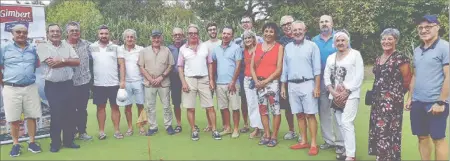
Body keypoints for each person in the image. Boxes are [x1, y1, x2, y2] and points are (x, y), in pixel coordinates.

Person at [405, 15, 449, 161]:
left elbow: (449, 76)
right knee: (422, 137)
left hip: (436, 103)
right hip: (418, 102)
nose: (424, 30)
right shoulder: (418, 50)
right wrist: (411, 97)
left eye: (428, 27)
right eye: (421, 28)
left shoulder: (445, 47)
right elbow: (416, 76)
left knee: (438, 138)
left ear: (437, 27)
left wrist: (441, 102)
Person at [368, 28, 412, 161]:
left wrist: (396, 95)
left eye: (390, 38)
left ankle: (389, 158)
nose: (386, 41)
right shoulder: (378, 59)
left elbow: (407, 80)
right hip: (377, 102)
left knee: (389, 131)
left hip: (392, 103)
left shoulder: (400, 58)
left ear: (395, 41)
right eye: (384, 39)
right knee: (377, 130)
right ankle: (380, 157)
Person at [1, 24, 42, 157]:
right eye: (18, 32)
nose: (21, 34)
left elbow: (35, 65)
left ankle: (32, 142)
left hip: (30, 87)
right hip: (11, 88)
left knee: (32, 116)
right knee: (14, 119)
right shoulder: (4, 48)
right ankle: (15, 144)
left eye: (24, 32)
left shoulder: (33, 49)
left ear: (27, 34)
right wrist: (4, 84)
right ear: (12, 34)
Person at [281, 21, 321, 155]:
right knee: (299, 114)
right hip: (292, 85)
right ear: (291, 32)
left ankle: (314, 143)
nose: (297, 32)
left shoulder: (312, 46)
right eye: (295, 30)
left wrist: (316, 87)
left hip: (308, 83)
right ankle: (303, 141)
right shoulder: (288, 47)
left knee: (310, 114)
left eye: (300, 29)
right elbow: (285, 69)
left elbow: (317, 69)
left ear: (305, 30)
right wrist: (283, 86)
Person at [39, 24, 81, 152]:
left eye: (57, 31)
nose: (55, 33)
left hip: (68, 84)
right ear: (48, 33)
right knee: (56, 114)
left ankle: (69, 141)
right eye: (52, 31)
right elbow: (52, 64)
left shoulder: (66, 45)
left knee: (70, 114)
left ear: (61, 33)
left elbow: (77, 62)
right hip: (53, 86)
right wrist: (67, 61)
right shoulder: (42, 46)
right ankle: (55, 143)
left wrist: (61, 59)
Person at [323, 30, 364, 161]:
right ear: (334, 43)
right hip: (335, 96)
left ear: (347, 41)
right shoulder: (331, 58)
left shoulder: (355, 54)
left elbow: (359, 76)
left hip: (351, 95)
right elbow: (326, 76)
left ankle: (351, 155)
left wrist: (347, 91)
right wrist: (332, 91)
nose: (340, 43)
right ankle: (347, 151)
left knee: (347, 122)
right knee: (341, 124)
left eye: (343, 40)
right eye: (338, 41)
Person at [178, 24, 221, 141]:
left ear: (198, 34)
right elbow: (180, 67)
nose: (193, 35)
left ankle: (214, 130)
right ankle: (193, 130)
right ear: (187, 35)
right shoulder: (183, 49)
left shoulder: (205, 46)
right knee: (190, 108)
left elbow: (210, 63)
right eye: (190, 33)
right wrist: (183, 83)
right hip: (189, 80)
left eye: (195, 33)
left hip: (204, 79)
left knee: (210, 107)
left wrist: (211, 79)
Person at [312, 15, 345, 154]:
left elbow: (348, 56)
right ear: (318, 24)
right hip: (321, 80)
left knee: (338, 111)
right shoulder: (314, 40)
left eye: (327, 21)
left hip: (338, 81)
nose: (324, 23)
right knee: (324, 111)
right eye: (321, 21)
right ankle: (328, 140)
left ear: (332, 23)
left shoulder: (340, 37)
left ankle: (340, 142)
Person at [90, 25, 126, 140]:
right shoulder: (92, 47)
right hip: (98, 84)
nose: (104, 36)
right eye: (101, 34)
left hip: (114, 83)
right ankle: (101, 132)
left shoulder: (116, 47)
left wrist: (122, 80)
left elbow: (122, 65)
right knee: (100, 108)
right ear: (98, 34)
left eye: (106, 34)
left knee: (115, 107)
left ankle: (117, 131)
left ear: (109, 35)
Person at [250, 22, 284, 147]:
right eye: (266, 31)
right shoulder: (257, 46)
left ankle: (274, 136)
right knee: (263, 110)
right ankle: (267, 134)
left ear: (275, 33)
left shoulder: (279, 47)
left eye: (271, 31)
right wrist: (256, 81)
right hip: (259, 84)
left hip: (272, 83)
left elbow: (279, 68)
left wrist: (266, 81)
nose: (268, 34)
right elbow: (252, 67)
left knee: (275, 110)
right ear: (263, 32)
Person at [138, 30, 176, 136]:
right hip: (149, 83)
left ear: (161, 38)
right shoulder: (144, 51)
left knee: (167, 106)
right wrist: (150, 79)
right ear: (151, 38)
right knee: (150, 106)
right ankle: (153, 127)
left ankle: (168, 126)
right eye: (154, 37)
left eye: (158, 37)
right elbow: (141, 66)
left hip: (164, 83)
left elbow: (170, 65)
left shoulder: (166, 50)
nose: (156, 40)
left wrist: (161, 77)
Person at [234, 15, 264, 134]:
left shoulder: (260, 42)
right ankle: (253, 126)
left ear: (252, 23)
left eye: (248, 21)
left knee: (261, 102)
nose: (245, 24)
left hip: (258, 77)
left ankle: (263, 127)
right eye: (243, 22)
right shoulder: (237, 42)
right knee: (249, 103)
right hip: (245, 76)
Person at [64, 21, 93, 141]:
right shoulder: (62, 45)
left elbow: (102, 47)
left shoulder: (87, 44)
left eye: (76, 30)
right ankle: (71, 132)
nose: (75, 32)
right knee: (69, 109)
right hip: (67, 83)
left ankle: (82, 132)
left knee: (82, 109)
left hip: (84, 82)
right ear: (67, 33)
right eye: (72, 30)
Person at [212, 26, 243, 138]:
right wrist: (213, 80)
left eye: (228, 34)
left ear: (232, 36)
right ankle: (227, 128)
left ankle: (235, 129)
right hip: (220, 83)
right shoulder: (216, 49)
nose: (225, 36)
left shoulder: (236, 48)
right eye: (224, 33)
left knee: (235, 107)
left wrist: (233, 81)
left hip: (233, 84)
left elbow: (238, 65)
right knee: (223, 107)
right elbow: (214, 65)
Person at [117, 29, 145, 136]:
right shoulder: (119, 49)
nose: (129, 39)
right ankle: (129, 127)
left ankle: (141, 126)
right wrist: (122, 81)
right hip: (126, 83)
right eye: (127, 37)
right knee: (127, 106)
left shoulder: (141, 49)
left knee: (140, 105)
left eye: (131, 37)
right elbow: (120, 65)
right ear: (124, 39)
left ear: (135, 38)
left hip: (139, 81)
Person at [278, 15, 298, 141]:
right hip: (286, 79)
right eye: (284, 25)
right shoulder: (280, 42)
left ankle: (303, 132)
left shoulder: (305, 38)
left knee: (303, 109)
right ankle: (292, 130)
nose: (287, 26)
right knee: (288, 107)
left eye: (289, 23)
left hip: (302, 78)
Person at [242, 30, 263, 139]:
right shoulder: (245, 51)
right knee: (251, 104)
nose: (247, 40)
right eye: (245, 38)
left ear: (253, 39)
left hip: (257, 80)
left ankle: (262, 127)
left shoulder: (259, 48)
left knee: (260, 103)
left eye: (249, 38)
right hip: (247, 79)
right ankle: (256, 127)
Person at [203, 22, 222, 132]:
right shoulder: (204, 45)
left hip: (220, 76)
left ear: (217, 30)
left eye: (214, 29)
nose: (212, 31)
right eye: (210, 29)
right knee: (208, 101)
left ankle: (226, 125)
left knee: (222, 102)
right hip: (208, 76)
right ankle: (210, 124)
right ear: (207, 32)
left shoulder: (221, 43)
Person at [168, 27, 186, 133]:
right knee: (176, 102)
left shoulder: (188, 46)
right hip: (174, 77)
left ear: (183, 36)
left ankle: (192, 122)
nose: (178, 36)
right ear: (172, 37)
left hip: (187, 76)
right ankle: (179, 124)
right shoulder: (168, 48)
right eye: (175, 35)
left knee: (189, 101)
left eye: (180, 34)